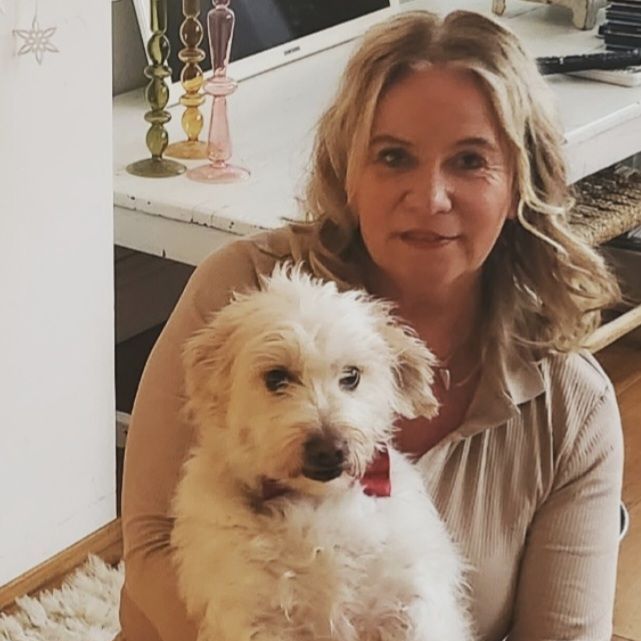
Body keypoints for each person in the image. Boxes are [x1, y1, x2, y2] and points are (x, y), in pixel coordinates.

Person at [118, 9, 624, 641]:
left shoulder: (573, 409)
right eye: (394, 156)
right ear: (347, 169)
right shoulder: (242, 292)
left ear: (521, 181)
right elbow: (150, 544)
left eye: (470, 160)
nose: (430, 197)